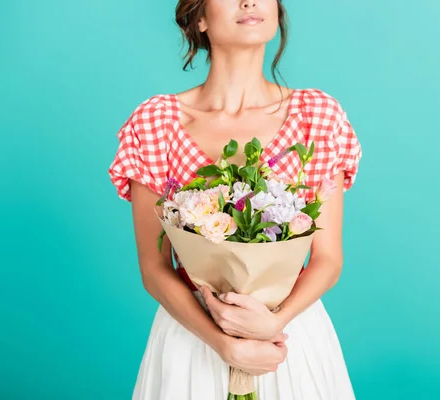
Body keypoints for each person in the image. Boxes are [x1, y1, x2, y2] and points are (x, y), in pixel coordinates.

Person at [108, 0, 363, 398]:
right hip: (193, 337)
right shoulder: (156, 122)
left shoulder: (318, 115)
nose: (249, 1)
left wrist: (274, 323)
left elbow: (328, 258)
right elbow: (155, 268)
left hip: (287, 338)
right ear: (200, 18)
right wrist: (221, 342)